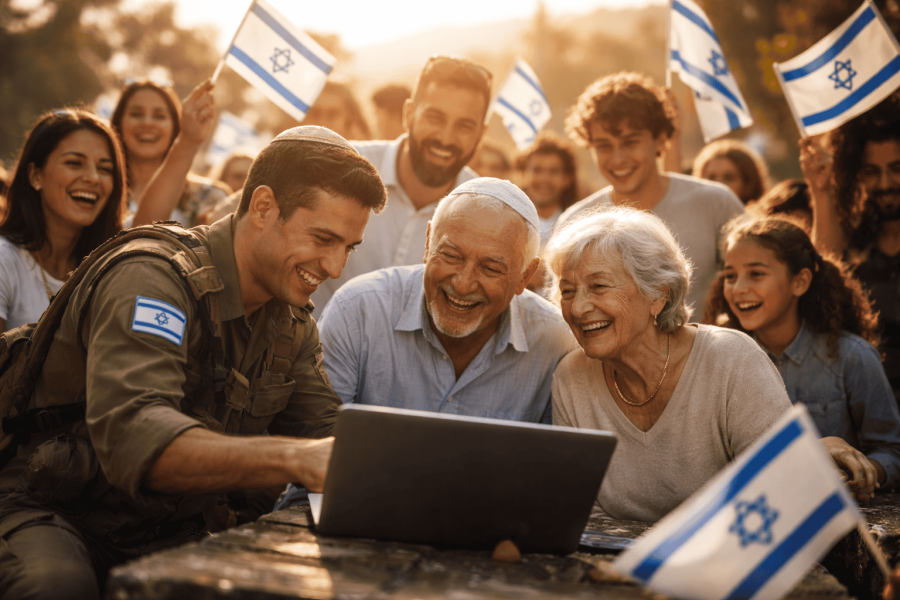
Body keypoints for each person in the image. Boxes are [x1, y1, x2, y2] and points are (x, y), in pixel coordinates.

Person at [0, 126, 387, 599]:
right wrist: (295, 458)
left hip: (165, 529)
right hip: (55, 509)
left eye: (348, 247)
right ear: (263, 207)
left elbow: (332, 436)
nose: (334, 267)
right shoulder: (151, 278)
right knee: (56, 587)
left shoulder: (290, 325)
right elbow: (136, 437)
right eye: (323, 238)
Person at [547, 206, 791, 522]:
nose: (578, 308)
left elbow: (782, 489)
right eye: (568, 291)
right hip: (616, 566)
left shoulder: (732, 360)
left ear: (658, 295)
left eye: (599, 286)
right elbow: (580, 510)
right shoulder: (571, 378)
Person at [318, 177, 577, 421]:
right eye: (451, 256)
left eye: (490, 268)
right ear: (429, 242)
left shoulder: (556, 343)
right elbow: (317, 438)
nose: (463, 284)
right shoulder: (358, 311)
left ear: (525, 276)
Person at [703, 216, 900, 500]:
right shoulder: (720, 357)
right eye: (730, 275)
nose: (739, 288)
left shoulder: (853, 357)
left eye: (756, 273)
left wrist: (864, 471)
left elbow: (892, 449)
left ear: (800, 282)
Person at [309, 55, 493, 317]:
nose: (445, 137)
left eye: (464, 125)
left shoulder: (486, 210)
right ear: (408, 114)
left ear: (481, 134)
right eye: (435, 118)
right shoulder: (341, 164)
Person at [558, 72, 745, 319]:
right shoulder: (576, 222)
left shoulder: (716, 203)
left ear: (660, 140)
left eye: (630, 142)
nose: (617, 158)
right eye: (604, 146)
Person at [805, 95, 900, 401]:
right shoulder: (855, 238)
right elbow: (824, 269)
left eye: (897, 168)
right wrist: (821, 193)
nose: (885, 183)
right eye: (872, 171)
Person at [0, 109, 125, 332]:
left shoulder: (111, 271)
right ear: (35, 176)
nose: (93, 178)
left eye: (105, 169)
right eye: (74, 163)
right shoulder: (5, 261)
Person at [110, 78, 228, 228]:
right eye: (136, 114)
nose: (147, 123)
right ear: (118, 121)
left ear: (176, 125)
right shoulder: (99, 187)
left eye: (159, 116)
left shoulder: (208, 198)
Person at [691, 139, 769, 206]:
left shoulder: (763, 222)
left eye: (728, 178)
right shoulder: (692, 218)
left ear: (748, 186)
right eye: (711, 177)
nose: (718, 185)